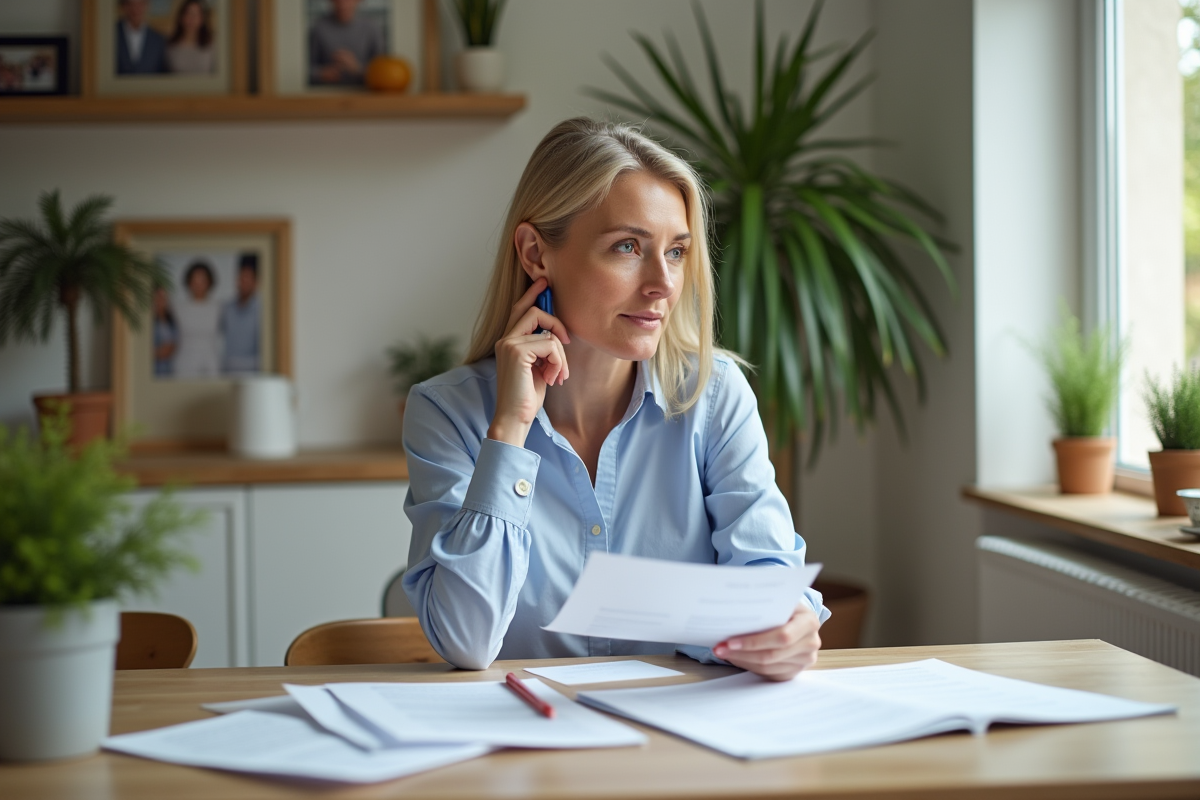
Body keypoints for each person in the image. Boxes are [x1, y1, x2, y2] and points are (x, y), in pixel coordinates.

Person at [402, 118, 828, 680]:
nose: (663, 284)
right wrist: (509, 429)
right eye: (628, 247)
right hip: (529, 730)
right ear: (535, 253)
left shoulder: (714, 395)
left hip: (684, 729)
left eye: (676, 251)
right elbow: (467, 640)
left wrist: (785, 627)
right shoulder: (447, 413)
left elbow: (768, 589)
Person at [308, 0, 385, 86]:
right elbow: (306, 70)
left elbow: (383, 72)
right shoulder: (319, 28)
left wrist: (357, 69)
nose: (343, 4)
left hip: (362, 91)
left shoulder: (372, 29)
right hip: (327, 90)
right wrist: (321, 74)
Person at [173, 260, 221, 378]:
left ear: (209, 282)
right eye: (195, 280)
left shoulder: (219, 308)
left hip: (210, 364)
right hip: (185, 364)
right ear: (188, 282)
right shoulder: (177, 308)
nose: (198, 285)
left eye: (202, 280)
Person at [219, 253, 261, 374]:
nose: (244, 282)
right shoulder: (227, 308)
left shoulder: (261, 310)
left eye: (248, 278)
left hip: (253, 373)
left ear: (256, 281)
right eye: (241, 277)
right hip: (228, 372)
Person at [116, 0, 169, 75]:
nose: (135, 9)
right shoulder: (111, 34)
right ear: (123, 6)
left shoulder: (159, 39)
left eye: (140, 4)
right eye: (130, 4)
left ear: (147, 6)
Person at [166, 0, 215, 75]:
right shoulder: (170, 46)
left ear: (202, 19)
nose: (192, 18)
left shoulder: (211, 46)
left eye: (196, 14)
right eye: (188, 13)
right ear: (181, 17)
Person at [152, 286, 178, 377]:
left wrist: (170, 349)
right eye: (159, 296)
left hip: (168, 370)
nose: (162, 300)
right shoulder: (148, 322)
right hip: (154, 370)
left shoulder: (171, 321)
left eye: (164, 297)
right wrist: (158, 352)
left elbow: (175, 343)